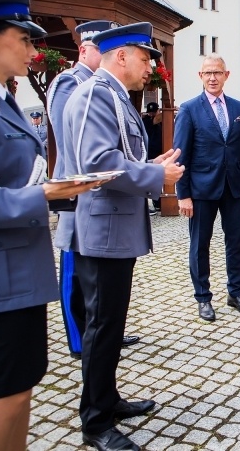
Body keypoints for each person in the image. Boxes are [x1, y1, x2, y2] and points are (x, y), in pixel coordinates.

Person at [0, 0, 99, 451]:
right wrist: (42, 195)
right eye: (25, 39)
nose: (34, 51)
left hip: (19, 271)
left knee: (21, 392)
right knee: (4, 400)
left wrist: (57, 193)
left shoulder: (2, 100)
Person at [62, 22, 185, 451]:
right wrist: (154, 175)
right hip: (102, 230)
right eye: (145, 57)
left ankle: (107, 399)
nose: (150, 66)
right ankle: (95, 422)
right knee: (102, 326)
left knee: (110, 324)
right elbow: (97, 163)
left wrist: (151, 165)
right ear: (121, 56)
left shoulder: (113, 95)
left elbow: (118, 157)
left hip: (112, 228)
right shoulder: (96, 94)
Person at [48, 20, 139, 360]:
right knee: (75, 272)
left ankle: (98, 332)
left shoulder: (108, 87)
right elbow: (71, 142)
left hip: (99, 190)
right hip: (77, 194)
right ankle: (79, 340)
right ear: (84, 49)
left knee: (98, 288)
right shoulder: (72, 83)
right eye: (98, 49)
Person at [173, 54, 240, 321]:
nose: (212, 78)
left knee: (236, 243)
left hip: (234, 188)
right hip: (201, 190)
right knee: (200, 244)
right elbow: (180, 155)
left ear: (226, 75)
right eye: (207, 73)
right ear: (200, 76)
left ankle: (236, 293)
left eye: (217, 73)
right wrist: (183, 195)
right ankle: (203, 297)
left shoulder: (239, 108)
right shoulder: (189, 109)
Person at [141, 101, 163, 214]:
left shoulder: (157, 121)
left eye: (153, 112)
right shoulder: (147, 121)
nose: (151, 114)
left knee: (157, 178)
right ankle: (157, 202)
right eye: (150, 113)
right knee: (153, 179)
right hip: (151, 153)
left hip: (158, 152)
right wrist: (167, 111)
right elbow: (157, 119)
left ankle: (158, 203)